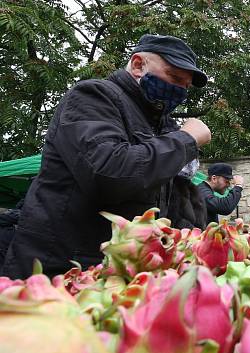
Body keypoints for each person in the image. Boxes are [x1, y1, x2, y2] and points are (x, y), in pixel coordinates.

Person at [1, 34, 212, 279]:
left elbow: (166, 198)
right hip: (63, 268)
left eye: (185, 87)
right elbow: (109, 174)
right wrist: (186, 139)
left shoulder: (162, 125)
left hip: (118, 271)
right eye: (174, 78)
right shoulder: (93, 96)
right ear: (137, 64)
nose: (179, 91)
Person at [166, 159, 207, 230]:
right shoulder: (171, 187)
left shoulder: (191, 187)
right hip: (183, 237)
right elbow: (174, 220)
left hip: (195, 237)